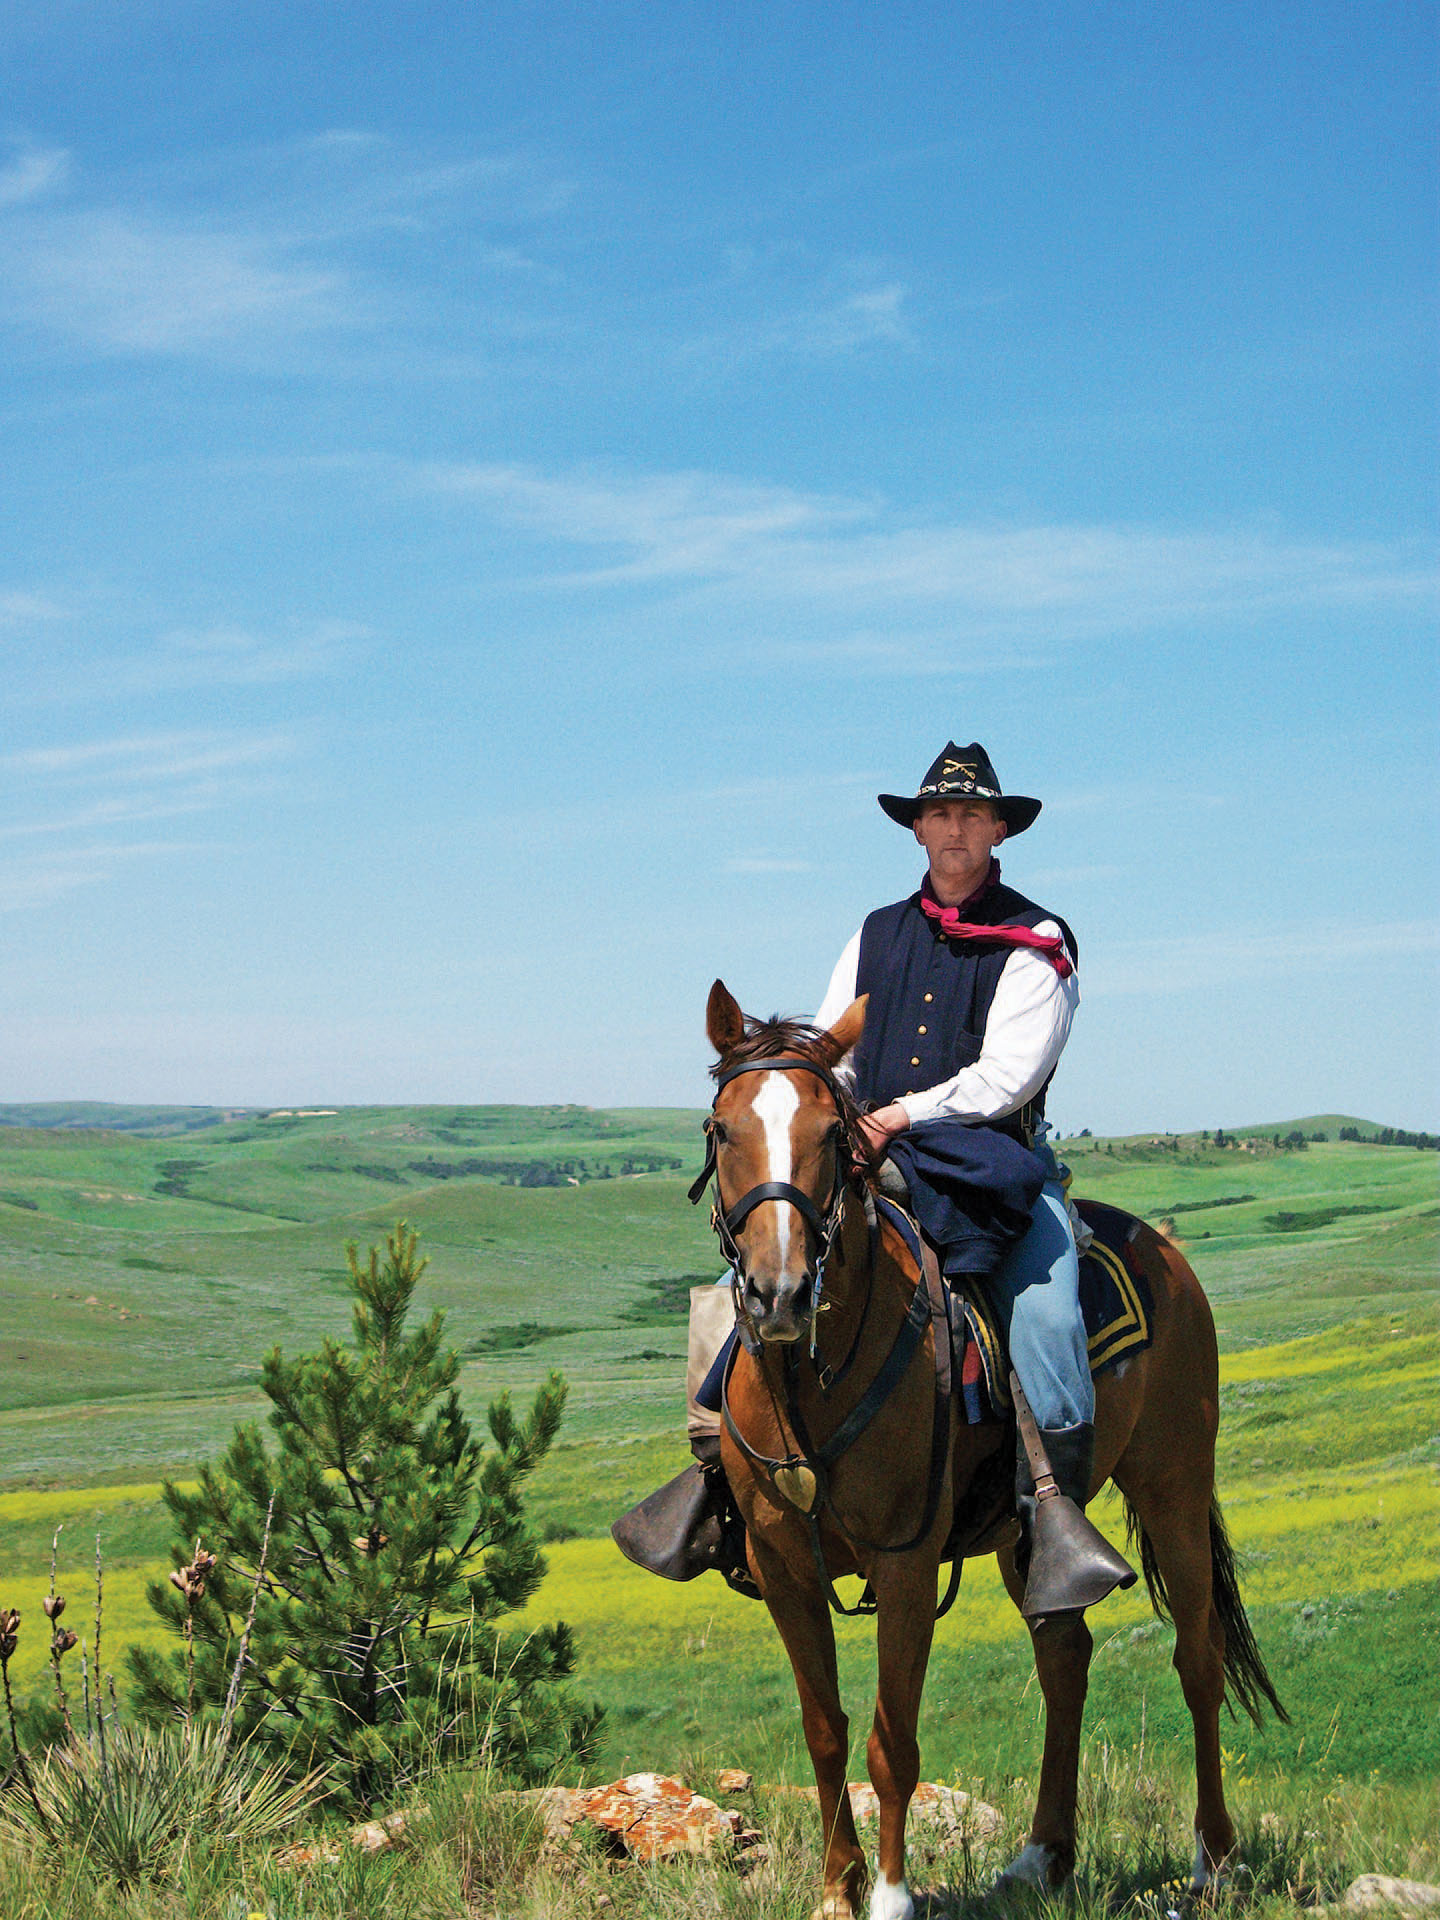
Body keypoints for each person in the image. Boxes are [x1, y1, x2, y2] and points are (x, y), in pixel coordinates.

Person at [812, 742, 1109, 1607]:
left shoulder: (1037, 939)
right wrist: (836, 1109)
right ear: (916, 831)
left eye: (972, 814)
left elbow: (1009, 1075)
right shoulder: (873, 934)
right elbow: (837, 1046)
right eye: (939, 814)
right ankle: (721, 1479)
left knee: (1048, 1313)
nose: (955, 828)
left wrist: (902, 1113)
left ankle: (1055, 1515)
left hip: (992, 1164)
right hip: (874, 1155)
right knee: (762, 1270)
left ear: (999, 828)